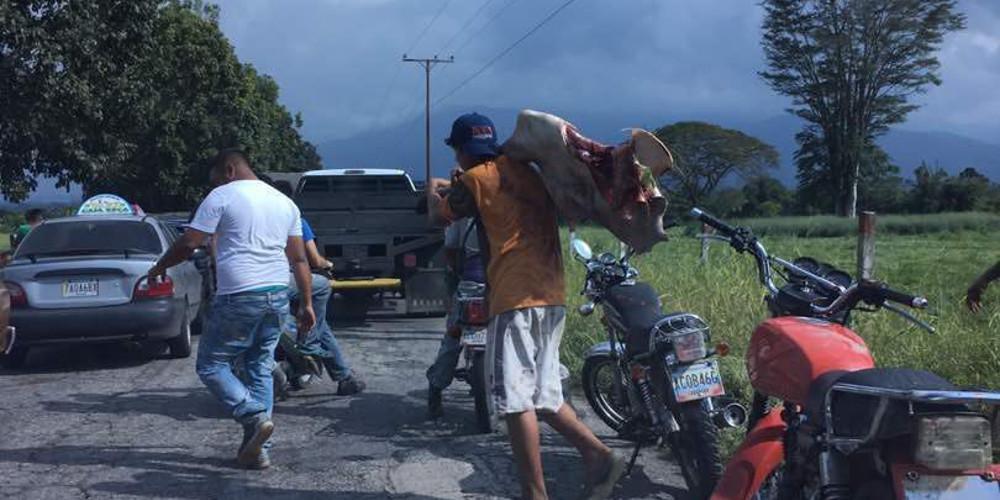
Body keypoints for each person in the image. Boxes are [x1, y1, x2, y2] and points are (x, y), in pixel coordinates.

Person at [428, 113, 624, 500]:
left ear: (462, 150)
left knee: (516, 401)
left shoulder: (475, 179)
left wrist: (432, 189)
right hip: (551, 295)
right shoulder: (532, 174)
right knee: (545, 396)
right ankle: (598, 454)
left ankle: (535, 494)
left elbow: (438, 215)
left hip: (514, 296)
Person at [148, 149, 315, 470]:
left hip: (240, 294)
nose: (213, 183)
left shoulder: (222, 195)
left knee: (211, 366)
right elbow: (298, 259)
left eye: (214, 177)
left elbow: (189, 243)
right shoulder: (284, 203)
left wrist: (158, 268)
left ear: (228, 169)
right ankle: (259, 449)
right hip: (277, 293)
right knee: (259, 366)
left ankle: (251, 416)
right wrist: (306, 303)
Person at [271, 180, 366, 396]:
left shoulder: (254, 218)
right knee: (318, 321)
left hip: (250, 283)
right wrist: (327, 264)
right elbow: (313, 259)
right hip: (287, 280)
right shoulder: (295, 219)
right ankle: (338, 371)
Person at [426, 215, 485, 418]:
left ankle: (435, 388)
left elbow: (450, 249)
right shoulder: (513, 204)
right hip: (508, 287)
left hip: (473, 283)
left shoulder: (464, 211)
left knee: (453, 335)